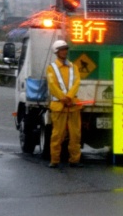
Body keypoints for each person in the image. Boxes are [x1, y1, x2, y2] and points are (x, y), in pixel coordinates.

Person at [46, 39, 84, 168]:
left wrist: (69, 97)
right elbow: (52, 85)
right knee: (57, 135)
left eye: (66, 49)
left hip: (72, 106)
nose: (65, 52)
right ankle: (54, 160)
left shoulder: (74, 67)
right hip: (60, 106)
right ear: (56, 52)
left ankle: (74, 160)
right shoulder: (51, 68)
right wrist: (64, 98)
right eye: (62, 49)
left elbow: (76, 82)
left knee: (76, 135)